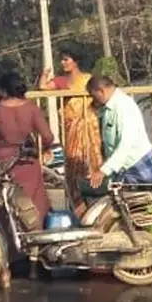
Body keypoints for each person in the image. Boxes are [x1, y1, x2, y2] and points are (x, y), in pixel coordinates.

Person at [0, 72, 55, 227]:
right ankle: (37, 238)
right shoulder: (31, 108)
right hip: (28, 161)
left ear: (3, 90)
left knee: (7, 205)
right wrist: (46, 149)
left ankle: (11, 243)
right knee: (35, 202)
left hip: (5, 164)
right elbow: (48, 136)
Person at [38, 48, 103, 214]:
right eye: (62, 60)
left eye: (67, 59)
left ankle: (98, 207)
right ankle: (79, 210)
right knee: (74, 171)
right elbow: (44, 88)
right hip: (72, 132)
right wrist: (45, 73)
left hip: (90, 132)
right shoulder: (62, 81)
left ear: (76, 61)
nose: (63, 63)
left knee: (93, 166)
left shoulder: (88, 79)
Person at [87, 76, 152, 189]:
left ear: (101, 91)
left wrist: (103, 171)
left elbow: (125, 145)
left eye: (93, 96)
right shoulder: (109, 107)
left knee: (149, 204)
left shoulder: (124, 106)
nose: (94, 100)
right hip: (123, 166)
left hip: (137, 163)